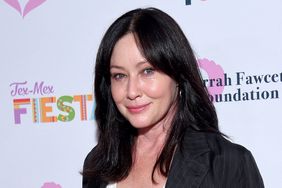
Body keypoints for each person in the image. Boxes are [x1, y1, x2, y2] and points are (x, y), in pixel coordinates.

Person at [82, 7, 264, 188]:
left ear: (178, 75)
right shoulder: (98, 163)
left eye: (147, 71)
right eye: (119, 75)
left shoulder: (227, 164)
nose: (131, 91)